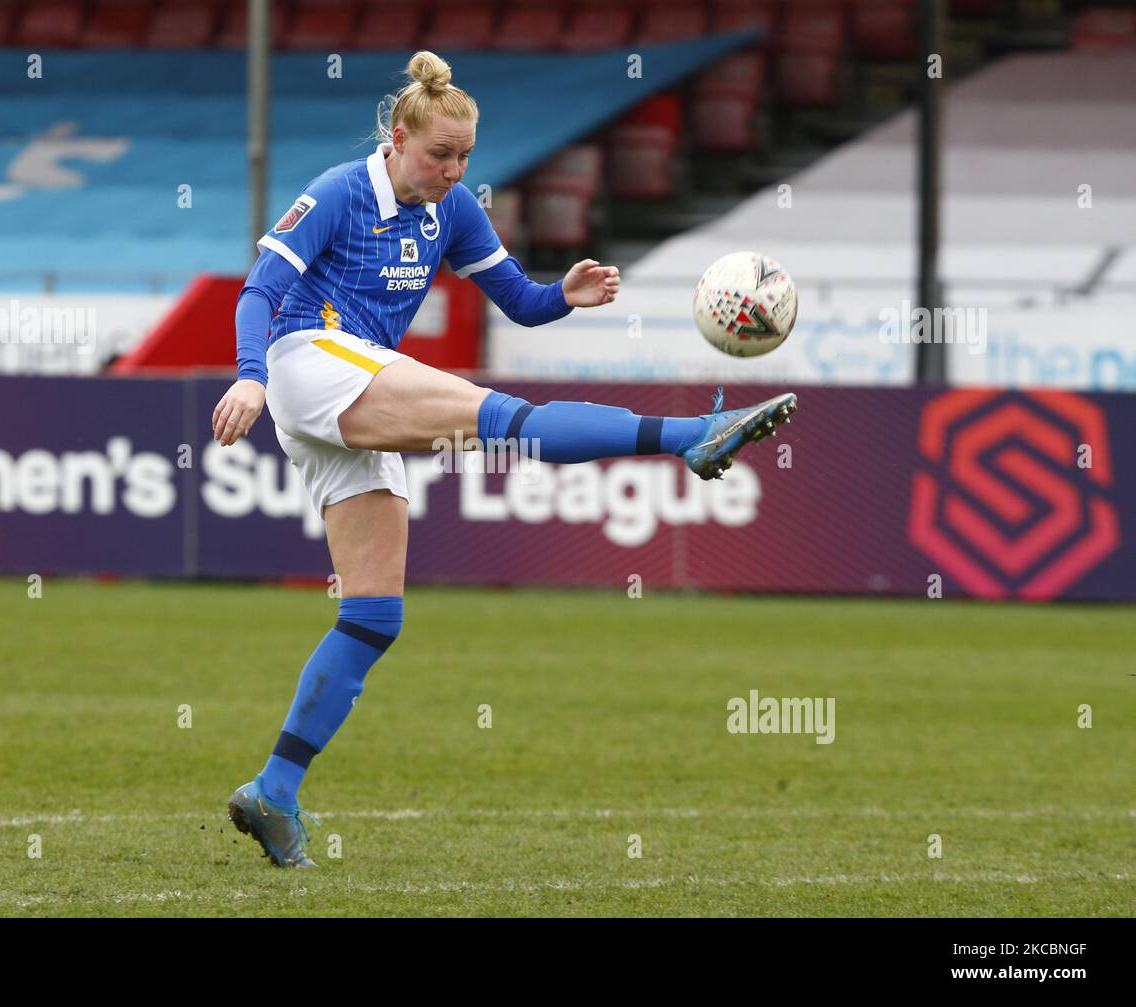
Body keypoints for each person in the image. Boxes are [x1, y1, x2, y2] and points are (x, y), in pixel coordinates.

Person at [212, 51, 796, 867]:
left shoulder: (453, 211)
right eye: (438, 154)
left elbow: (518, 301)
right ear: (397, 135)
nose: (452, 171)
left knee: (375, 615)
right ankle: (688, 437)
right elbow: (258, 290)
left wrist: (566, 294)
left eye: (464, 158)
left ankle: (274, 790)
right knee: (507, 422)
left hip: (356, 389)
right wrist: (249, 375)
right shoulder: (342, 190)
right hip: (310, 364)